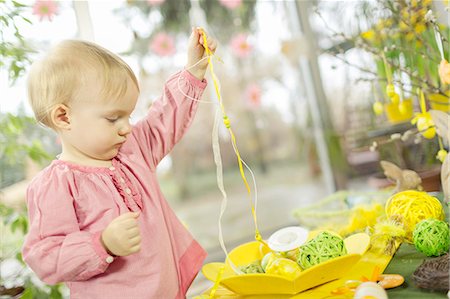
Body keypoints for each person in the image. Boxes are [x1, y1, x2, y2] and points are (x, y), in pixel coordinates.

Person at [22, 28, 217, 299]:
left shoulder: (131, 149)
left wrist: (194, 69)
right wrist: (102, 243)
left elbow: (164, 119)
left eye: (129, 116)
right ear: (64, 118)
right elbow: (44, 256)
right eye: (113, 118)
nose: (126, 128)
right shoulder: (56, 186)